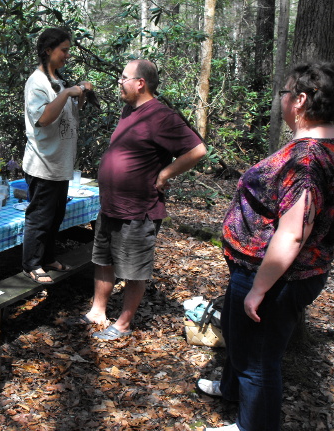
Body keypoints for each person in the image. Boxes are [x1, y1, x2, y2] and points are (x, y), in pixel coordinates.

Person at [196, 62, 334, 431]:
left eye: (285, 93)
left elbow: (292, 234)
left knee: (259, 362)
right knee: (241, 341)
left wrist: (259, 289)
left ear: (301, 100)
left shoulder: (306, 160)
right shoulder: (321, 148)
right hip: (265, 270)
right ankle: (230, 390)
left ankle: (251, 425)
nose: (283, 100)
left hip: (275, 277)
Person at [78, 59, 205, 340]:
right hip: (111, 205)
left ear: (140, 83)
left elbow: (197, 150)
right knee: (102, 260)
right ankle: (98, 311)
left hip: (139, 209)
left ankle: (123, 324)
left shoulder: (162, 116)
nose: (119, 82)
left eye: (124, 77)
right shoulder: (128, 110)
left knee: (134, 270)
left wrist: (165, 174)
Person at [22, 27, 93, 284]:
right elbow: (42, 119)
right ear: (48, 50)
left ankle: (48, 258)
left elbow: (71, 113)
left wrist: (80, 93)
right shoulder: (37, 83)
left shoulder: (59, 81)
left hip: (60, 164)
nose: (67, 55)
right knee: (40, 218)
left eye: (68, 50)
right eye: (63, 50)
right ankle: (31, 264)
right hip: (42, 164)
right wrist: (66, 93)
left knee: (56, 218)